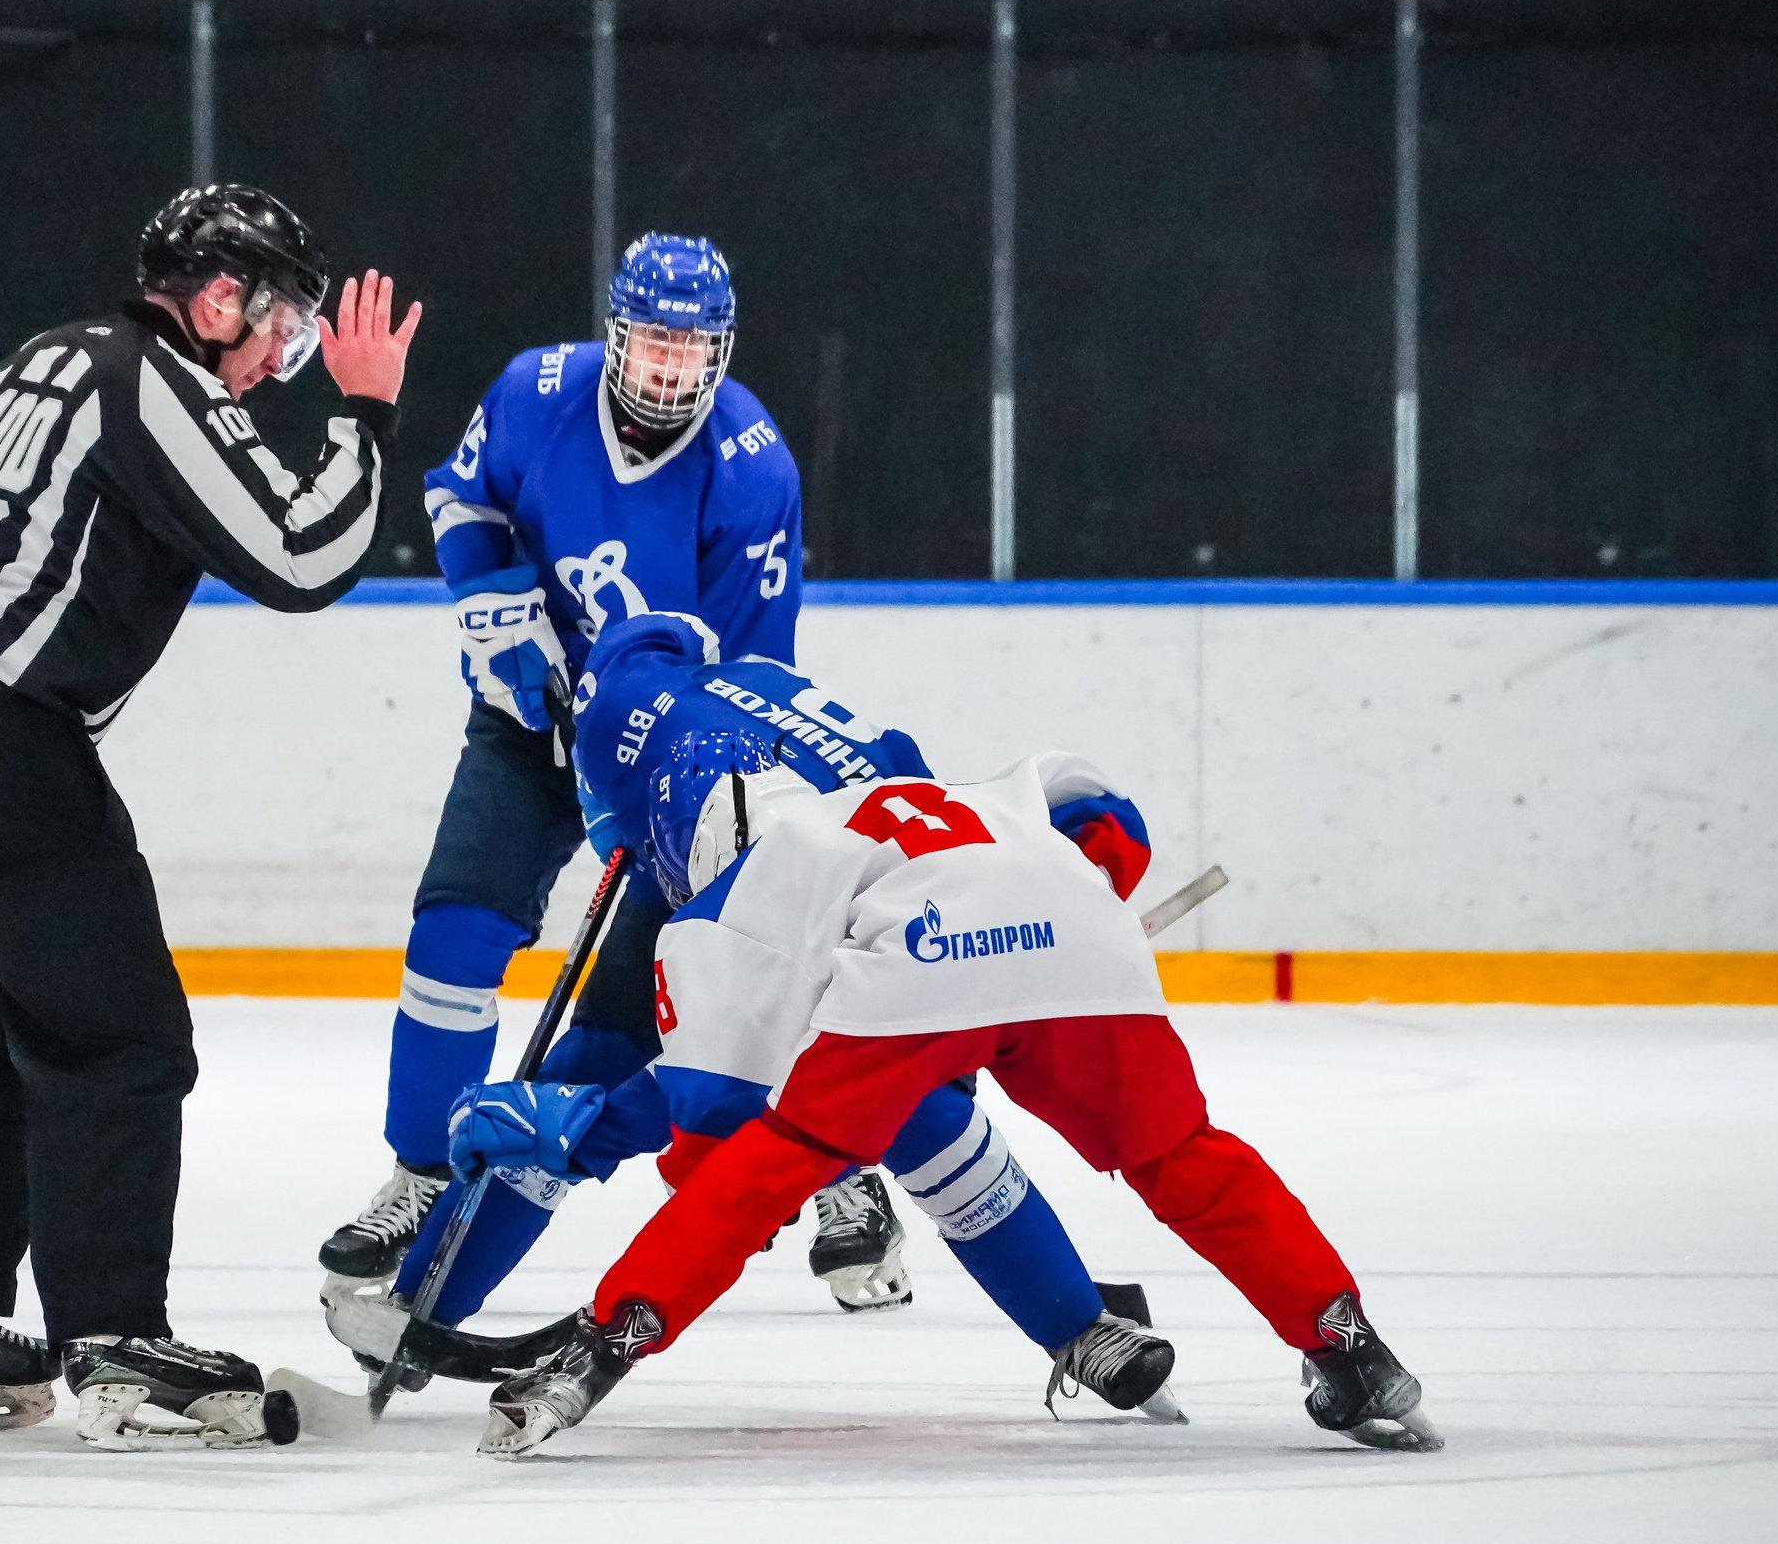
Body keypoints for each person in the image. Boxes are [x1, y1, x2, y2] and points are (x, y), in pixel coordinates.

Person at [459, 695, 1444, 1459]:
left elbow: (712, 1125)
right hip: (1078, 935)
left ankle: (596, 1353)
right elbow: (1105, 813)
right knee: (1182, 1155)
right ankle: (1347, 1345)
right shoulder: (964, 794)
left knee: (779, 1157)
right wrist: (1086, 891)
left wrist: (575, 1131)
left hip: (921, 968)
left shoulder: (726, 901)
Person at [0, 183, 420, 1450]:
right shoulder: (149, 380)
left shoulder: (37, 361)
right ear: (218, 298)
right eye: (285, 330)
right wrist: (363, 409)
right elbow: (302, 559)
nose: (281, 360)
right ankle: (116, 1342)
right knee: (123, 1043)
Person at [323, 614, 1183, 1428]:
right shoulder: (730, 690)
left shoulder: (617, 716)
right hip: (742, 880)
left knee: (897, 1103)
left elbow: (722, 1067)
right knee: (889, 1101)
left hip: (808, 889)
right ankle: (1078, 1324)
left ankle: (421, 1305)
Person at [317, 234, 909, 1317]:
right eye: (654, 344)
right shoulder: (535, 389)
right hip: (526, 721)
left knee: (736, 966)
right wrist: (491, 605)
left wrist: (649, 786)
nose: (672, 371)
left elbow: (749, 673)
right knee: (454, 934)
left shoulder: (752, 467)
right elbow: (463, 497)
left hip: (673, 759)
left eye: (695, 351)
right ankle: (420, 1173)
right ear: (614, 332)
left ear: (722, 351)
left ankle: (847, 1166)